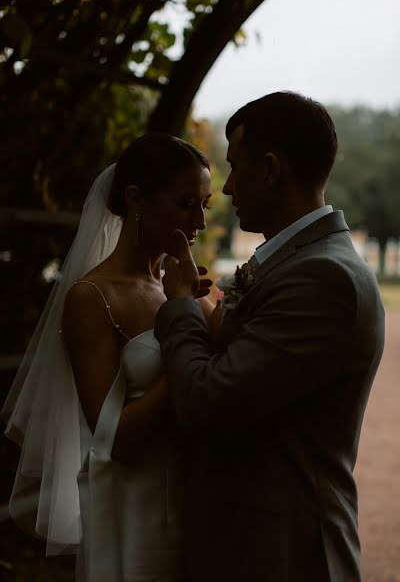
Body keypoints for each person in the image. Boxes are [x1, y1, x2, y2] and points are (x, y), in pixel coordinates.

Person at [154, 91, 385, 582]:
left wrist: (178, 306)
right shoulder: (303, 262)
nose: (229, 186)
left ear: (271, 169)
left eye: (235, 167)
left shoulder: (324, 278)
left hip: (281, 553)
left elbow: (204, 400)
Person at [2, 132, 213, 582]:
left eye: (205, 205)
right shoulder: (93, 297)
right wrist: (185, 346)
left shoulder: (179, 290)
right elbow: (110, 437)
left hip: (197, 497)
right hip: (135, 505)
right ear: (136, 199)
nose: (199, 220)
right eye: (185, 203)